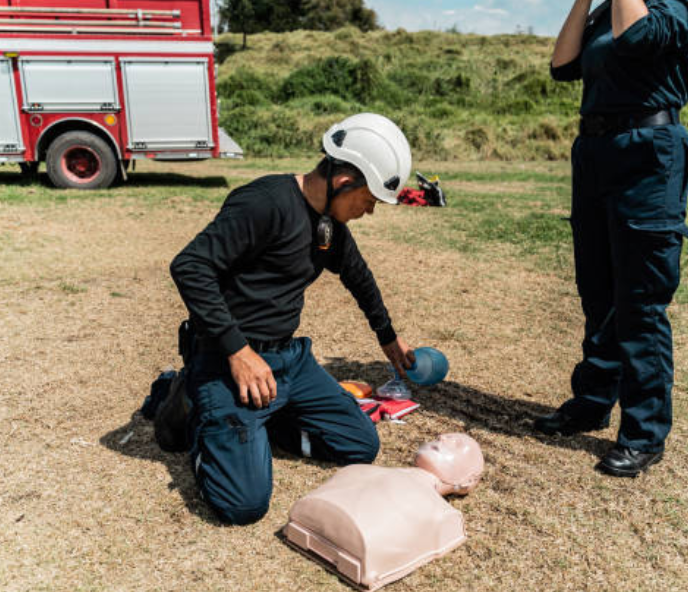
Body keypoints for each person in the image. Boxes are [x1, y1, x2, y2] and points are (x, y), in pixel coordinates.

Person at [168, 113, 416, 524]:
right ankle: (190, 405)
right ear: (343, 181)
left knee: (359, 445)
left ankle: (264, 425)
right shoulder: (264, 202)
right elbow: (190, 266)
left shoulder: (328, 225)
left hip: (289, 361)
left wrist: (387, 337)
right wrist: (237, 350)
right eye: (369, 201)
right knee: (242, 505)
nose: (368, 212)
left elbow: (358, 275)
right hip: (229, 363)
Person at [534, 0, 688, 477]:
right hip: (594, 151)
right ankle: (591, 402)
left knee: (640, 300)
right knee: (597, 291)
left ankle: (643, 433)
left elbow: (636, 38)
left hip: (649, 153)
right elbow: (562, 65)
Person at [283, 433, 485, 590]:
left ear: (468, 481)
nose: (442, 438)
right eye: (439, 437)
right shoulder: (359, 470)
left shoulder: (444, 516)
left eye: (456, 445)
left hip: (334, 536)